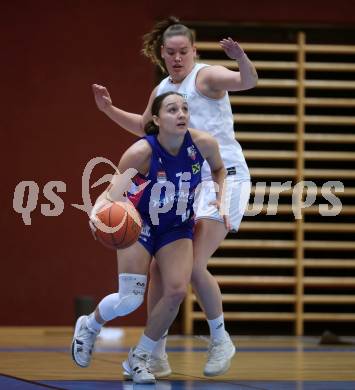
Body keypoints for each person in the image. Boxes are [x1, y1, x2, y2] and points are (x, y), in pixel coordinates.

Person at [92, 16, 257, 377]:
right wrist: (107, 109)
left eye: (184, 51)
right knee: (158, 268)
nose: (178, 58)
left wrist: (240, 58)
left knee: (193, 266)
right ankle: (157, 351)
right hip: (190, 183)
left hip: (222, 177)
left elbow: (247, 81)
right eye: (171, 53)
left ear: (194, 51)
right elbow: (142, 126)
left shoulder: (207, 77)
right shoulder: (165, 89)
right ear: (162, 55)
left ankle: (220, 339)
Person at [71, 92, 229, 384]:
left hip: (176, 227)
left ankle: (140, 357)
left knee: (177, 291)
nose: (181, 114)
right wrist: (96, 215)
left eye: (184, 108)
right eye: (172, 110)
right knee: (129, 300)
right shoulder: (141, 152)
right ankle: (90, 325)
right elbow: (112, 193)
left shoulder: (203, 144)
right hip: (140, 223)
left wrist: (220, 197)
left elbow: (219, 169)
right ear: (156, 119)